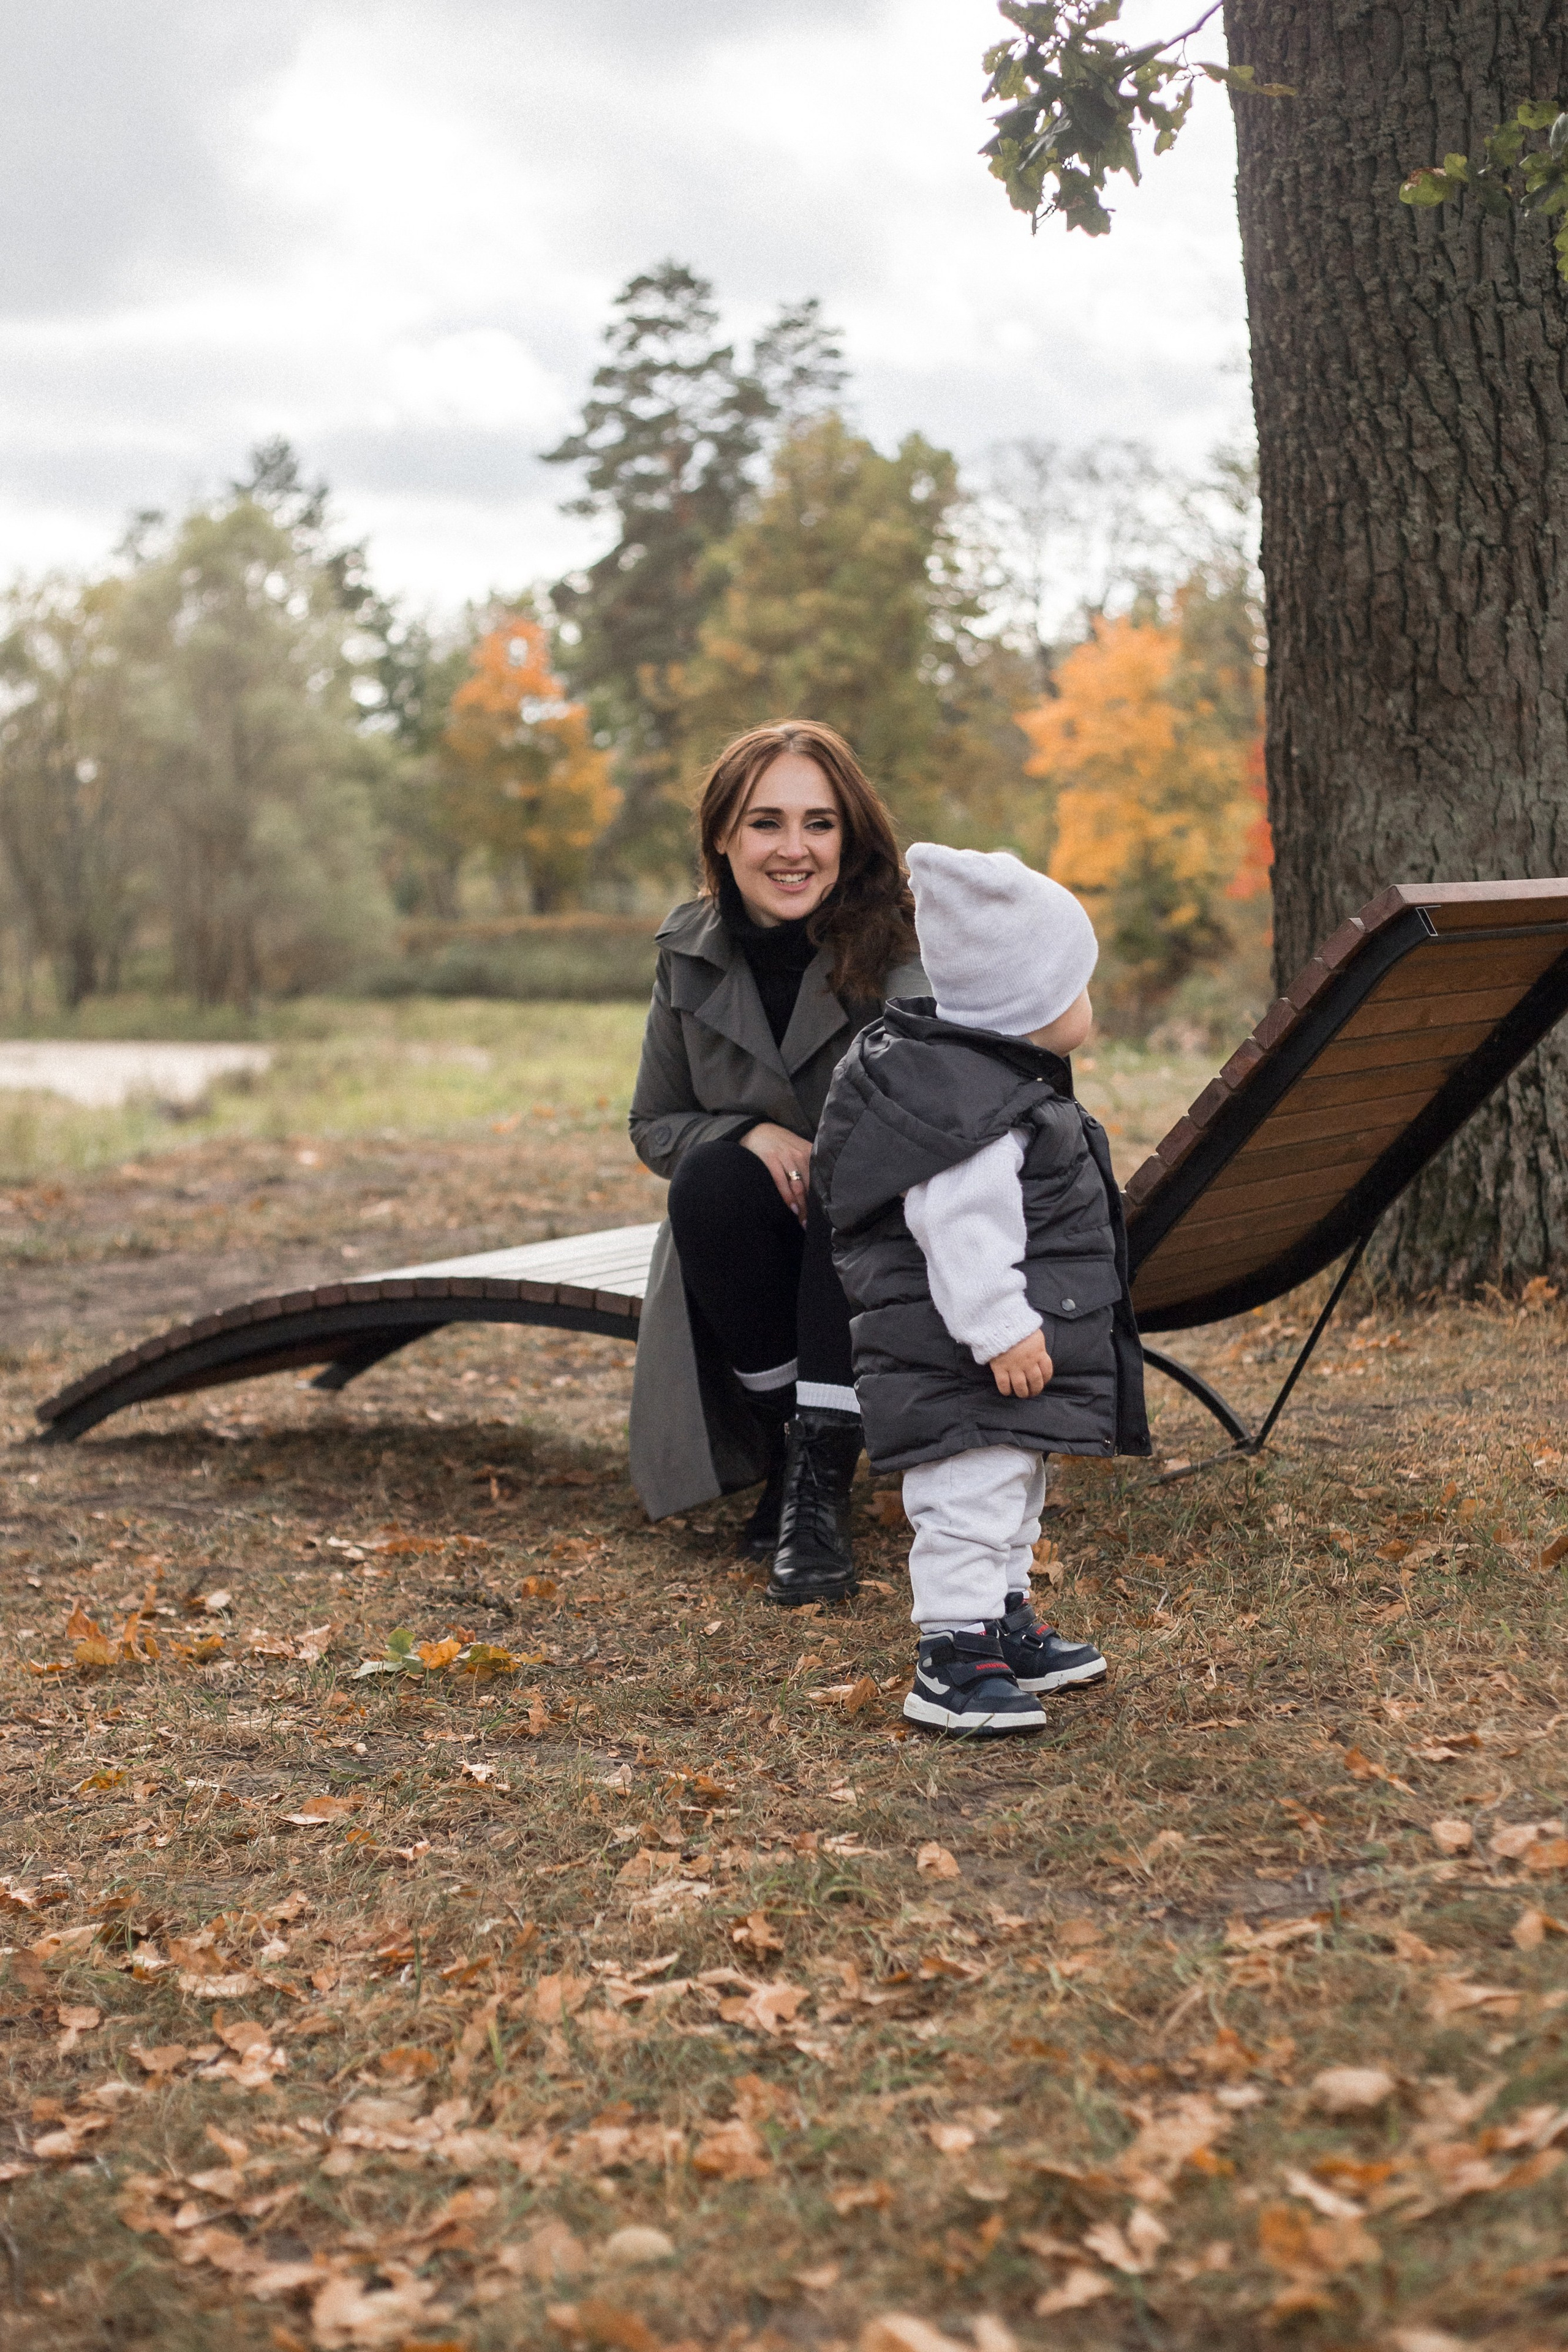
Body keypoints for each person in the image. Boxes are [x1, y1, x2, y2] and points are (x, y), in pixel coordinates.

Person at [812, 843, 1151, 1734]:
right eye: (1078, 986)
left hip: (986, 1362)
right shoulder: (972, 1115)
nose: (1089, 1004)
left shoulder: (995, 1086)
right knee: (968, 1499)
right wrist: (1001, 1328)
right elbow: (959, 1233)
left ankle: (1002, 1622)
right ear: (1028, 1005)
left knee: (1012, 1488)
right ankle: (954, 1661)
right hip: (958, 1358)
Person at [627, 720, 925, 1602]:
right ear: (723, 835)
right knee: (711, 1176)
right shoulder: (688, 952)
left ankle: (818, 1489)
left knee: (848, 1166)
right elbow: (654, 1123)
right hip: (754, 1237)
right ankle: (799, 1451)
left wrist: (828, 1147)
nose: (794, 849)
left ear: (851, 835)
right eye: (766, 823)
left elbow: (932, 1106)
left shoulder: (904, 941)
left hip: (888, 1233)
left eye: (820, 824)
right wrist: (749, 1134)